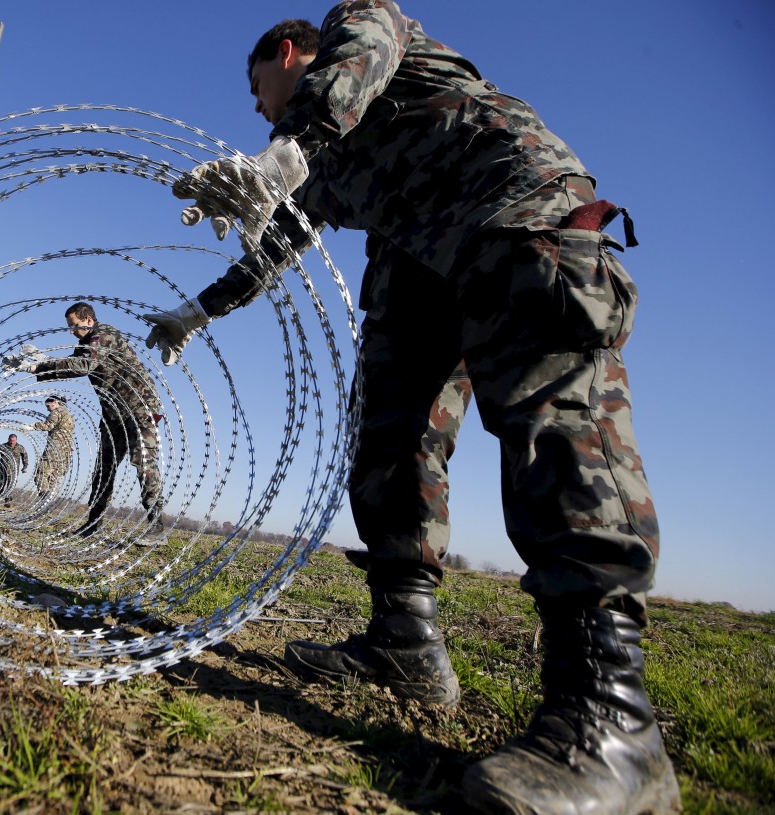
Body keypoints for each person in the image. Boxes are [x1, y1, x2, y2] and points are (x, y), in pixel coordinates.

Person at [142, 4, 678, 813]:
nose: (256, 108)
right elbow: (276, 240)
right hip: (420, 260)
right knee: (391, 439)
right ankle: (405, 643)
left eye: (259, 90)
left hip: (511, 208)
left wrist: (286, 146)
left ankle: (615, 725)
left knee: (550, 419)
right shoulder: (321, 166)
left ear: (290, 54)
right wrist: (196, 313)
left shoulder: (358, 33)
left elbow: (366, 46)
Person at [24, 302, 166, 545]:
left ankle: (157, 526)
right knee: (104, 468)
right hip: (113, 413)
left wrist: (43, 365)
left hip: (138, 408)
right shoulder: (86, 345)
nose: (72, 331)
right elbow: (72, 366)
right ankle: (93, 524)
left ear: (88, 320)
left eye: (75, 326)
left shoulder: (104, 335)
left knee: (144, 463)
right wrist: (39, 367)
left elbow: (83, 366)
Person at [31, 395, 75, 497]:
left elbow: (48, 425)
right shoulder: (69, 415)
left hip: (55, 446)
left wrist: (33, 426)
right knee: (53, 476)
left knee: (41, 473)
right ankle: (48, 501)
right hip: (67, 449)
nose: (47, 408)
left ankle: (45, 497)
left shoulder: (56, 412)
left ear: (55, 402)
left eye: (48, 405)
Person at [0, 433, 28, 504]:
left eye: (13, 441)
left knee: (11, 485)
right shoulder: (4, 446)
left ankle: (7, 500)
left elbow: (25, 457)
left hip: (14, 470)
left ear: (16, 440)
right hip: (3, 469)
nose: (12, 442)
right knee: (0, 484)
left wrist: (25, 466)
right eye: (11, 440)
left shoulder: (20, 448)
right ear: (8, 440)